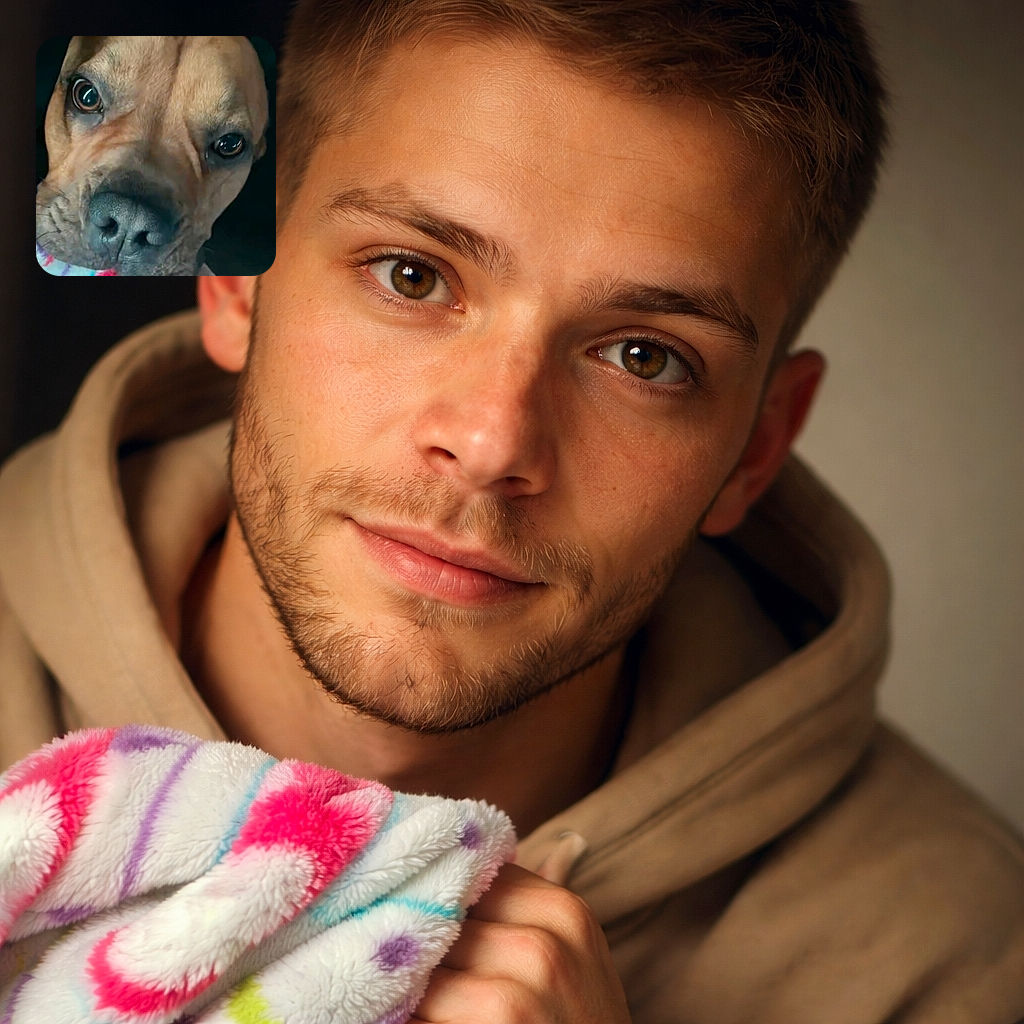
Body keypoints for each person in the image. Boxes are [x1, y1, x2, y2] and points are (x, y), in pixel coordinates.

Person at [1, 1, 1022, 1021]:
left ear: (756, 446)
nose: (493, 445)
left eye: (645, 357)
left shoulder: (961, 964)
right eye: (411, 276)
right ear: (236, 285)